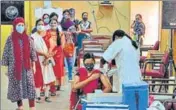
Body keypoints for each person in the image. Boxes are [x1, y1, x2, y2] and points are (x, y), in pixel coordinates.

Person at [1, 17, 36, 110]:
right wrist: (5, 68)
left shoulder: (28, 38)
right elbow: (6, 53)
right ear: (14, 26)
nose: (21, 27)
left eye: (22, 25)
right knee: (17, 87)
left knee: (30, 86)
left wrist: (34, 65)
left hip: (27, 67)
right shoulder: (10, 39)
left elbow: (32, 52)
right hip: (14, 68)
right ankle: (20, 106)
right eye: (18, 25)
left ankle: (32, 107)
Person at [31, 19, 56, 102]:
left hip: (47, 58)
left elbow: (51, 46)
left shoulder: (47, 35)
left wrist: (47, 56)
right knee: (38, 77)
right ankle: (37, 96)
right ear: (36, 25)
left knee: (48, 76)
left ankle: (46, 96)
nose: (40, 26)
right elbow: (32, 49)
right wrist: (43, 54)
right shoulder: (33, 36)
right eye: (39, 24)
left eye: (42, 24)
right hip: (38, 59)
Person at [44, 19, 65, 96]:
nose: (53, 24)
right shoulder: (46, 33)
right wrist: (49, 53)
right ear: (49, 24)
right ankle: (48, 88)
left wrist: (56, 52)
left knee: (57, 72)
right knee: (48, 71)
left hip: (58, 55)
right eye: (51, 23)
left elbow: (62, 45)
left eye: (54, 23)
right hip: (48, 53)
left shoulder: (60, 33)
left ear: (57, 24)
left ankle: (54, 88)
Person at [61, 9, 77, 81]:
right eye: (65, 14)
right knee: (62, 59)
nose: (66, 15)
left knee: (70, 59)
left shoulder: (72, 23)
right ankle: (64, 72)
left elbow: (74, 33)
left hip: (69, 42)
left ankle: (70, 75)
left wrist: (73, 40)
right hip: (61, 41)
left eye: (67, 14)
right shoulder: (60, 23)